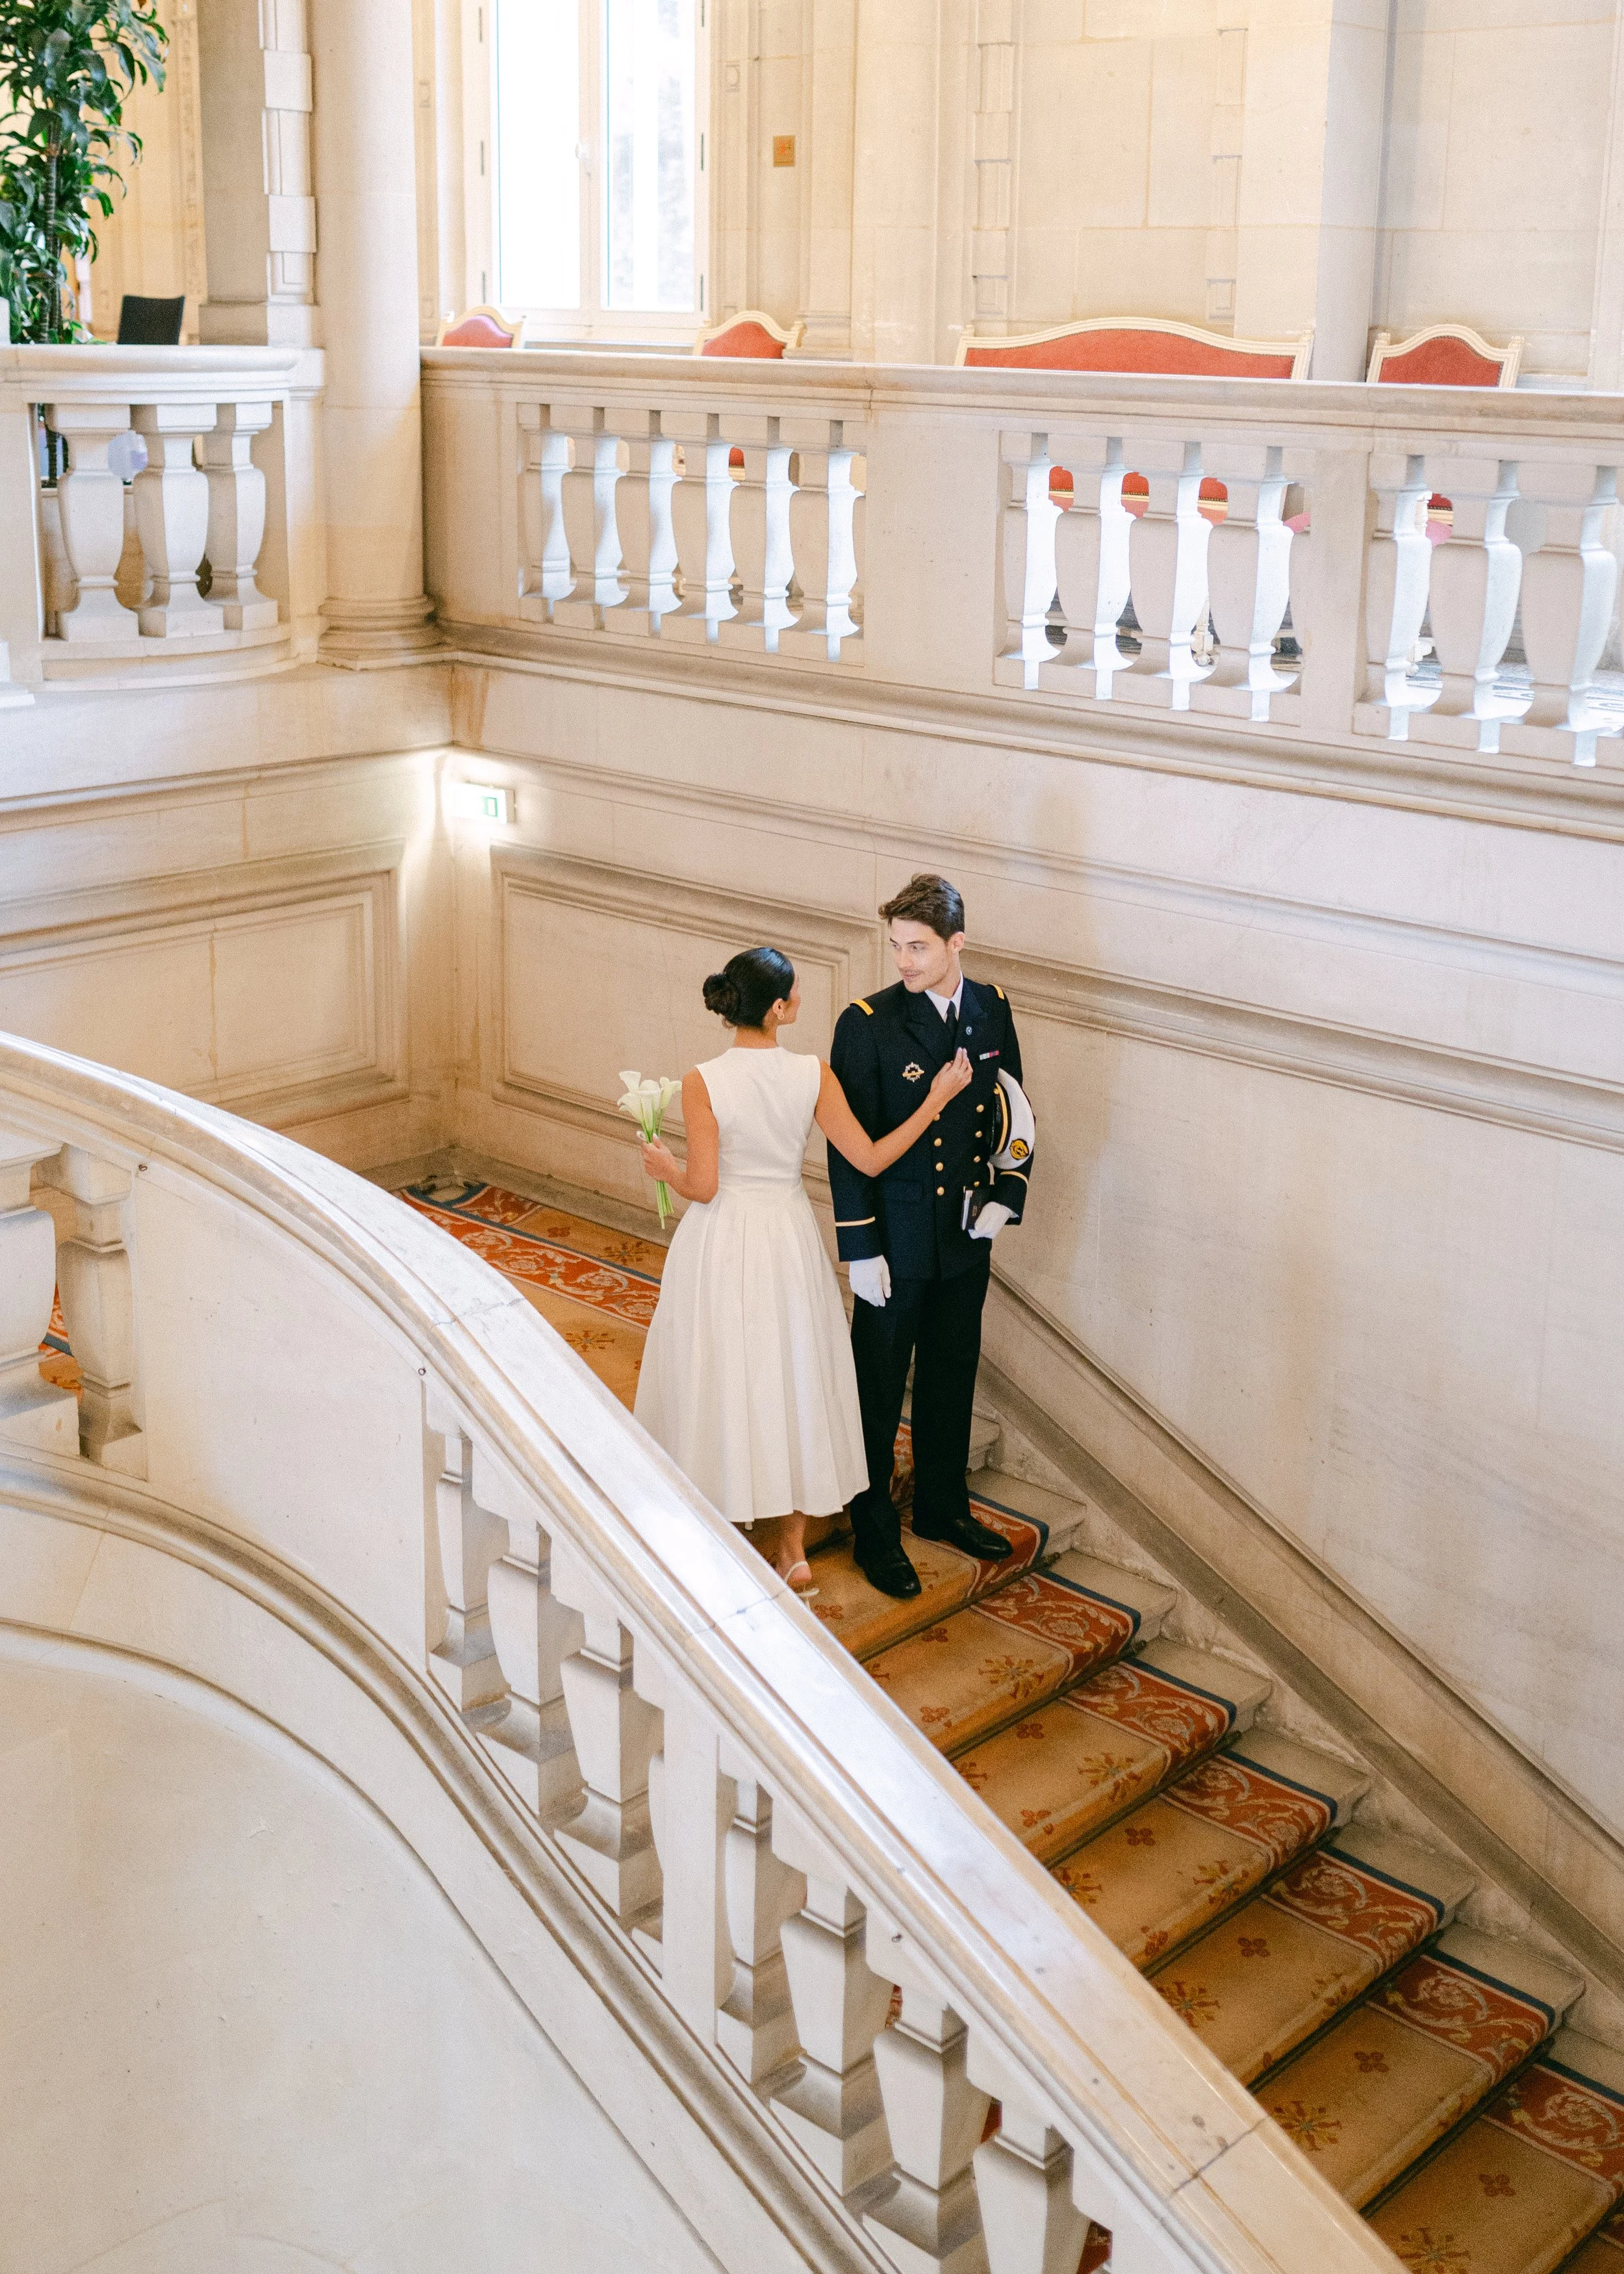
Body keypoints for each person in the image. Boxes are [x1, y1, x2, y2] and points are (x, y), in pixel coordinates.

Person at [635, 945, 971, 1593]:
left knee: (722, 1370)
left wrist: (664, 1169)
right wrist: (933, 1101)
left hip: (723, 1239)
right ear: (781, 1008)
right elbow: (871, 1158)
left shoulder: (703, 1077)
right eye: (796, 996)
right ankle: (792, 1548)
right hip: (786, 1239)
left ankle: (718, 1521)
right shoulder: (813, 1073)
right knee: (785, 1372)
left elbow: (702, 1187)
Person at [827, 875, 1037, 1600]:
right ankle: (874, 1526)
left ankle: (944, 1507)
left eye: (917, 947)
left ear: (957, 944)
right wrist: (858, 1248)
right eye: (896, 946)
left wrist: (1006, 1194)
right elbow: (848, 1147)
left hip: (963, 1236)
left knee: (952, 1374)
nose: (904, 962)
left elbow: (1013, 1105)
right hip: (895, 1240)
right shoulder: (868, 1022)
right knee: (878, 1388)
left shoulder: (990, 1007)